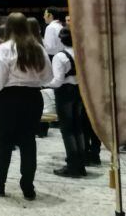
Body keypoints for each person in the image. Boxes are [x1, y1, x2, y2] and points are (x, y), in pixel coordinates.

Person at [0, 13, 53, 200]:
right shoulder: (38, 48)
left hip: (10, 99)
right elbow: (48, 77)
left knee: (4, 143)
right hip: (33, 98)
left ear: (8, 27)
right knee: (28, 143)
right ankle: (28, 186)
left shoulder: (5, 48)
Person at [48, 27, 86, 177]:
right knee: (78, 127)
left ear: (61, 39)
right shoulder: (81, 52)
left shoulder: (60, 56)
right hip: (79, 90)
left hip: (65, 92)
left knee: (67, 129)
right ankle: (80, 164)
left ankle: (72, 165)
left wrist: (46, 84)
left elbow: (57, 81)